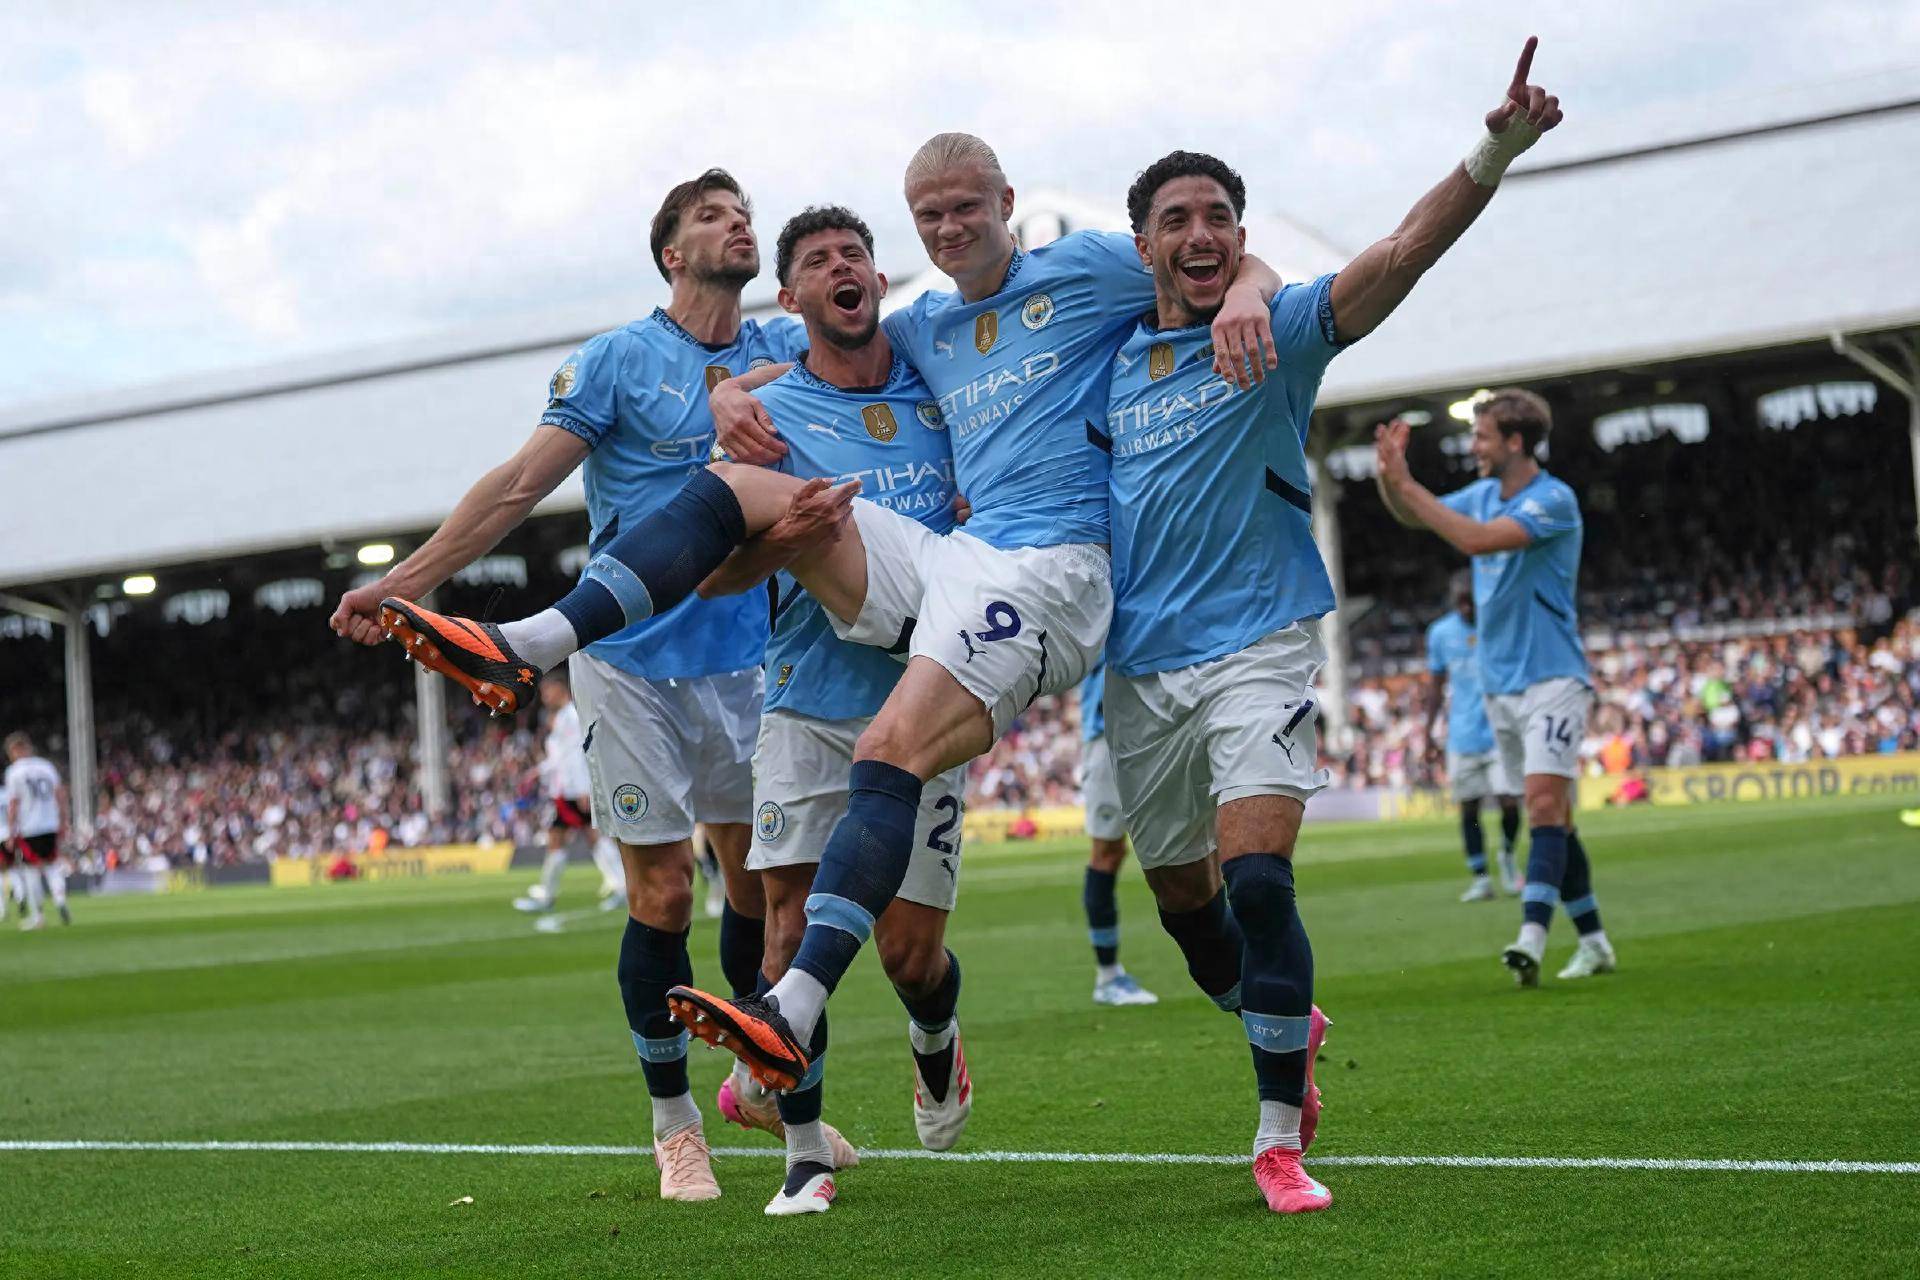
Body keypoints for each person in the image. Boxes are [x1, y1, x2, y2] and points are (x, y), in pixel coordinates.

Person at [373, 133, 1287, 1132]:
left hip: (991, 601)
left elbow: (1202, 257)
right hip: (806, 678)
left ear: (999, 206)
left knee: (914, 955)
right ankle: (538, 642)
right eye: (929, 214)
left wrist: (1251, 286)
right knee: (742, 904)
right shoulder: (867, 348)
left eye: (962, 208)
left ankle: (931, 1033)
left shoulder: (1021, 303)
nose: (948, 227)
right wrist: (742, 426)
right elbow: (677, 529)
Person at [1103, 38, 1564, 1215]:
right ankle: (1283, 1025)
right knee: (1190, 912)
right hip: (1138, 671)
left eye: (1220, 217)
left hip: (1260, 643)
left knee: (1260, 880)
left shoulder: (1278, 331)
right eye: (1175, 219)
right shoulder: (1103, 367)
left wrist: (1494, 152)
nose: (1200, 234)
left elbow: (1402, 252)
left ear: (1241, 236)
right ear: (1143, 244)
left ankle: (1275, 1140)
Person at [331, 169, 800, 1201]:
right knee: (663, 892)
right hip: (627, 662)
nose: (737, 224)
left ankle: (758, 1085)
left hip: (747, 657)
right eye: (712, 216)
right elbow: (516, 487)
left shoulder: (781, 348)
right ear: (672, 252)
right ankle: (675, 1126)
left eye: (744, 213)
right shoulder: (619, 358)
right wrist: (404, 585)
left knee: (761, 889)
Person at [700, 205, 975, 1213]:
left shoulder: (939, 389)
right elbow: (715, 576)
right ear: (791, 297)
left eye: (853, 253)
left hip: (925, 700)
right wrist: (784, 537)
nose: (840, 267)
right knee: (785, 936)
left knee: (910, 955)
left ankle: (936, 1034)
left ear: (878, 278)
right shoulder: (769, 421)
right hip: (807, 704)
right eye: (817, 260)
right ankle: (806, 1151)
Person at [1376, 385, 1617, 985]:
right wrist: (1390, 478)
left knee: (1542, 806)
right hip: (1499, 684)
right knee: (1556, 817)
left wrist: (1408, 486)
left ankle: (1531, 938)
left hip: (1553, 678)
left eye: (1482, 437)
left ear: (1514, 441)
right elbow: (1412, 515)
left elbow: (1475, 540)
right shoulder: (1483, 495)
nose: (1473, 446)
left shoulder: (1552, 499)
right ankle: (1595, 943)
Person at [1424, 577, 1522, 900]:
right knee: (1470, 808)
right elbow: (1436, 685)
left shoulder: (1499, 624)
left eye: (1471, 600)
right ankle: (1481, 878)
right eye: (1461, 602)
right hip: (1463, 734)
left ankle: (1507, 855)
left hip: (1500, 730)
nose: (1467, 607)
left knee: (1510, 800)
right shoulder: (1440, 633)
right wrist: (1428, 732)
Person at [1077, 665, 1157, 1006]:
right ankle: (1108, 976)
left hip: (1158, 732)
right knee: (1107, 854)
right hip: (1108, 736)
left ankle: (1227, 959)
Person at [514, 673, 624, 915]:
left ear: (560, 689)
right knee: (578, 837)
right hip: (566, 790)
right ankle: (618, 886)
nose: (544, 697)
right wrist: (537, 771)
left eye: (547, 691)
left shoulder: (572, 716)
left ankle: (549, 894)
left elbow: (578, 755)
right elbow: (560, 758)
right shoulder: (563, 718)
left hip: (575, 791)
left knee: (577, 837)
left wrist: (585, 789)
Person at [4, 732, 68, 929]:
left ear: (15, 750)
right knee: (52, 866)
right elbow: (60, 795)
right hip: (50, 824)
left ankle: (38, 916)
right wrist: (63, 821)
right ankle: (60, 901)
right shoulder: (46, 766)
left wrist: (11, 831)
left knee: (31, 871)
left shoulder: (14, 772)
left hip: (29, 827)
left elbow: (13, 804)